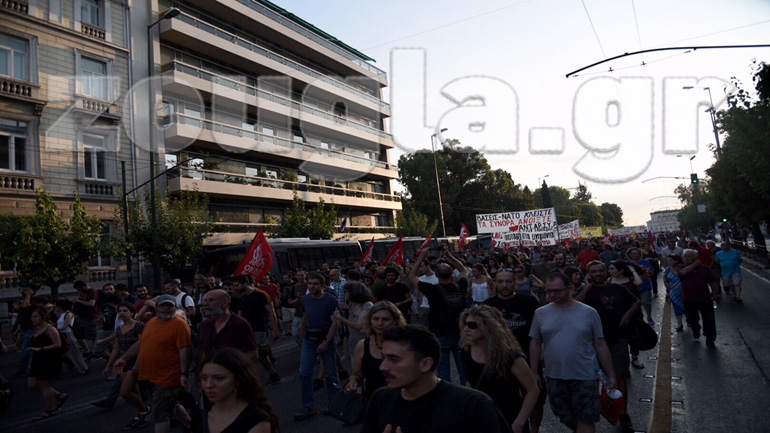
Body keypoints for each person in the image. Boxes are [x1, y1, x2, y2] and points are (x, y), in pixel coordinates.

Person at [359, 324, 512, 433]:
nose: (383, 367)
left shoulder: (473, 406)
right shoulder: (381, 399)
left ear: (425, 364)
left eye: (394, 359)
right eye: (384, 357)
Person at [529, 273, 617, 433]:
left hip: (585, 374)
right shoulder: (540, 313)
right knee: (564, 415)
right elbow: (535, 343)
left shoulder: (589, 312)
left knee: (586, 417)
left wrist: (610, 374)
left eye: (557, 291)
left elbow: (600, 344)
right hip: (554, 375)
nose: (551, 295)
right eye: (549, 291)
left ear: (570, 288)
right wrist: (534, 372)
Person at [574, 261, 642, 433]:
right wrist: (587, 287)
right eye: (594, 272)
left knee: (619, 375)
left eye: (600, 271)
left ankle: (623, 413)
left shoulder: (617, 289)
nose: (598, 274)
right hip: (590, 341)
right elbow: (574, 306)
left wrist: (627, 316)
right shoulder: (585, 291)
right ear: (588, 274)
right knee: (589, 377)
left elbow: (636, 302)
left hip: (617, 338)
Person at [113, 294, 193, 433]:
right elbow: (142, 343)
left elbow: (184, 351)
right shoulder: (152, 322)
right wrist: (124, 358)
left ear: (175, 307)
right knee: (171, 404)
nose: (166, 308)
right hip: (149, 375)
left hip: (167, 377)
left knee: (161, 415)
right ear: (156, 307)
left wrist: (184, 374)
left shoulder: (179, 324)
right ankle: (194, 427)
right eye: (163, 305)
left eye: (170, 305)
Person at [460, 305, 539, 433]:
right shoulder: (467, 352)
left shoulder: (510, 357)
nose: (466, 329)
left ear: (489, 327)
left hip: (507, 417)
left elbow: (532, 389)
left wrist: (520, 422)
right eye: (465, 324)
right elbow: (471, 382)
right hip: (480, 417)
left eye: (472, 325)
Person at [484, 269, 545, 433]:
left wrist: (535, 367)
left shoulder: (529, 302)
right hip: (500, 360)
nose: (504, 285)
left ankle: (535, 430)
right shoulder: (488, 305)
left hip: (527, 357)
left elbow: (537, 336)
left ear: (515, 283)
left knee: (536, 398)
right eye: (501, 282)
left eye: (508, 281)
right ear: (495, 283)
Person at [408, 246, 469, 385]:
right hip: (460, 332)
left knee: (443, 370)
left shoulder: (432, 290)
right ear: (452, 274)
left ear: (436, 275)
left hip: (440, 334)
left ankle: (447, 398)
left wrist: (422, 257)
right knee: (463, 369)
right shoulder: (460, 286)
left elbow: (412, 276)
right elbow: (464, 270)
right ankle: (467, 394)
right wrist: (450, 256)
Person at [196, 348, 280, 433]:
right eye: (204, 378)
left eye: (219, 378)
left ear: (238, 380)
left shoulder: (255, 420)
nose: (208, 385)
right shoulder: (201, 417)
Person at [295, 272, 340, 421]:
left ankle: (334, 403)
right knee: (305, 373)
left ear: (322, 285)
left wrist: (327, 341)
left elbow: (335, 322)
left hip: (325, 338)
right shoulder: (306, 299)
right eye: (310, 284)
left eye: (315, 284)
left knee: (331, 373)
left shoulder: (330, 300)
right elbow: (305, 315)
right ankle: (309, 406)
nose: (312, 286)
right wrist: (302, 331)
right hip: (309, 339)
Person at [344, 301, 406, 400]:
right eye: (375, 319)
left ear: (395, 321)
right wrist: (353, 381)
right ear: (370, 321)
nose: (380, 323)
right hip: (372, 403)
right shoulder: (362, 346)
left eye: (385, 319)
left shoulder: (405, 346)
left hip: (399, 402)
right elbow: (358, 374)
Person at [233, 276, 281, 385]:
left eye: (237, 285)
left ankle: (258, 378)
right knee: (257, 355)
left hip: (260, 328)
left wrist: (275, 329)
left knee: (260, 354)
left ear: (245, 283)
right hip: (247, 331)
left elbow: (271, 312)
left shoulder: (261, 294)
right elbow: (240, 317)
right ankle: (272, 374)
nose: (235, 288)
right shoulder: (241, 298)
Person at [27, 306, 68, 420]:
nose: (33, 319)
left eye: (36, 316)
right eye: (32, 316)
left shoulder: (49, 328)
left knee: (44, 385)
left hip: (48, 359)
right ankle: (59, 395)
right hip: (37, 359)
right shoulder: (36, 329)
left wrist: (42, 349)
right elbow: (33, 348)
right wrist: (30, 363)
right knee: (32, 385)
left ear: (42, 317)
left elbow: (57, 344)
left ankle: (49, 410)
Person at [675, 250, 719, 347]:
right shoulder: (680, 267)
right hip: (688, 299)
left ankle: (710, 338)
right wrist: (696, 264)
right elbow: (683, 272)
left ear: (695, 258)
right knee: (691, 319)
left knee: (709, 319)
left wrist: (715, 294)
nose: (686, 258)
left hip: (704, 298)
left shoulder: (704, 268)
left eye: (689, 256)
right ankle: (696, 328)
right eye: (684, 256)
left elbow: (713, 282)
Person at [333, 281, 374, 368]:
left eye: (345, 292)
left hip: (366, 346)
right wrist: (346, 346)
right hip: (353, 345)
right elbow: (348, 329)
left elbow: (359, 326)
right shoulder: (351, 305)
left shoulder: (367, 305)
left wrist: (340, 318)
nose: (343, 294)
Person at [54, 299, 88, 376]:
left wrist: (56, 330)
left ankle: (83, 368)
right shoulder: (61, 314)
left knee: (75, 352)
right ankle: (80, 368)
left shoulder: (68, 314)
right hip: (62, 335)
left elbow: (65, 325)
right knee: (70, 353)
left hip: (68, 334)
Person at [626, 247, 655, 326]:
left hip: (645, 286)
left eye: (637, 253)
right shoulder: (627, 263)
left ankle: (649, 317)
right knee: (635, 304)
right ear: (630, 255)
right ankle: (639, 318)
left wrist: (648, 272)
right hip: (632, 287)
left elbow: (652, 273)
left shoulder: (645, 262)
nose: (636, 255)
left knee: (646, 302)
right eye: (634, 253)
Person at [663, 255, 686, 332]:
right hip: (673, 291)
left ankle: (690, 320)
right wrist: (666, 283)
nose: (668, 262)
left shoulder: (683, 268)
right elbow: (665, 277)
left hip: (684, 291)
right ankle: (680, 323)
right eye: (668, 260)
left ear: (676, 261)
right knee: (676, 307)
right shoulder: (668, 269)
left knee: (687, 306)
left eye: (670, 260)